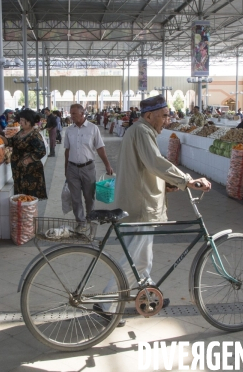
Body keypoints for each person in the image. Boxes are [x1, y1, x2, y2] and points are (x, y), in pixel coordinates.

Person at [98, 95, 211, 325]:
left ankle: (148, 296)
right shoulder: (142, 131)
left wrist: (165, 184)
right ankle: (107, 303)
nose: (167, 121)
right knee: (137, 259)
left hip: (137, 201)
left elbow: (144, 168)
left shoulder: (139, 131)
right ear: (150, 116)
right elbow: (155, 163)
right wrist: (186, 180)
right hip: (140, 206)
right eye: (164, 115)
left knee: (142, 257)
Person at [64, 103, 114, 223]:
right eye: (71, 113)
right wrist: (66, 168)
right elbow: (67, 150)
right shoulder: (69, 130)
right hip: (72, 168)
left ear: (82, 113)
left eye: (74, 114)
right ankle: (80, 222)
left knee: (89, 197)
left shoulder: (93, 128)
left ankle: (90, 219)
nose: (71, 116)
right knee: (75, 198)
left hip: (88, 168)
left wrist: (107, 165)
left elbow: (100, 148)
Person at [0, 109, 47, 199]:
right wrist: (1, 138)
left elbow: (41, 151)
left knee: (29, 198)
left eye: (22, 120)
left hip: (30, 172)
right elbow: (12, 141)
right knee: (20, 197)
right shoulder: (21, 132)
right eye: (20, 120)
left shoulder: (34, 135)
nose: (20, 122)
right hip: (19, 171)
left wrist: (28, 160)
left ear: (29, 122)